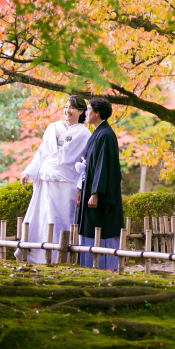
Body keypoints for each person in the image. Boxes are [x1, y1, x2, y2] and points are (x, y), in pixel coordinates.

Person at [14, 95, 91, 264]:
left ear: (81, 111)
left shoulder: (85, 133)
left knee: (61, 219)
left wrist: (81, 187)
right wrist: (28, 172)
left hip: (67, 182)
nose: (67, 111)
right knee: (42, 215)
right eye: (66, 107)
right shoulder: (52, 127)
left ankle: (59, 257)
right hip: (47, 178)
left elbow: (86, 163)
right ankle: (36, 254)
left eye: (72, 108)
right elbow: (41, 152)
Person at [75, 97, 125, 270]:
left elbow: (103, 167)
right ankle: (90, 265)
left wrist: (96, 193)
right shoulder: (98, 133)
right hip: (90, 187)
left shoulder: (105, 135)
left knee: (100, 227)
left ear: (97, 113)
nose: (86, 113)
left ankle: (104, 266)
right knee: (92, 227)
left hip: (100, 193)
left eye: (89, 109)